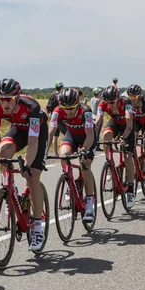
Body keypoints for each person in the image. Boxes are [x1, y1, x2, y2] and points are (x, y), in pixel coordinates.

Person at [0, 78, 49, 252]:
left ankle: (38, 227)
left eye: (8, 99)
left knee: (32, 177)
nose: (4, 103)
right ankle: (10, 191)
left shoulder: (31, 107)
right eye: (1, 99)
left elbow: (32, 143)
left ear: (17, 97)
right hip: (18, 130)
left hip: (37, 135)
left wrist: (27, 166)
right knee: (4, 151)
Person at [49, 88, 96, 220]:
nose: (68, 111)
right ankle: (70, 182)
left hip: (87, 137)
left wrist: (84, 149)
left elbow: (90, 135)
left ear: (77, 104)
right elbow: (51, 131)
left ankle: (90, 205)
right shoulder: (57, 111)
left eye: (72, 108)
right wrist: (45, 151)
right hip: (72, 135)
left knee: (85, 165)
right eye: (66, 108)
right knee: (63, 155)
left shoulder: (85, 111)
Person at [95, 85, 136, 208]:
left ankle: (130, 189)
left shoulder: (126, 102)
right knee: (106, 135)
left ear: (118, 99)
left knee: (128, 157)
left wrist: (123, 138)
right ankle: (109, 162)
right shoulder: (102, 104)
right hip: (115, 123)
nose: (110, 105)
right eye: (108, 102)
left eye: (112, 102)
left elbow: (129, 123)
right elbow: (98, 122)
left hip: (127, 127)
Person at [46, 81, 66, 156]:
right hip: (62, 118)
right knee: (67, 134)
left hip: (54, 118)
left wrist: (49, 116)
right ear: (61, 87)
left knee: (55, 136)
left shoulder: (53, 96)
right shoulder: (63, 96)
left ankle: (55, 152)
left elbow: (48, 107)